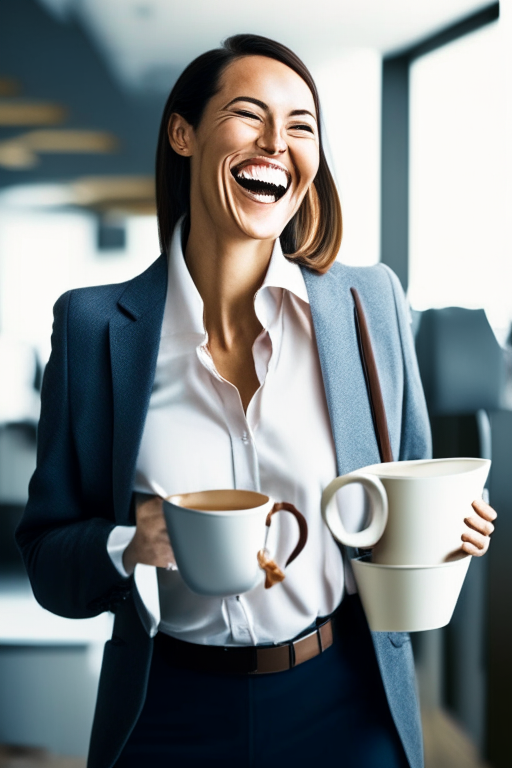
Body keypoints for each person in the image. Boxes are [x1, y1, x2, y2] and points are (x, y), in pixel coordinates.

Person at [16, 34, 496, 768]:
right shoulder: (91, 328)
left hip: (342, 699)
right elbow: (49, 561)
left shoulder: (368, 304)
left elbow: (409, 495)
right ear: (183, 132)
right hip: (168, 707)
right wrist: (128, 542)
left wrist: (447, 532)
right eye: (249, 115)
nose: (277, 142)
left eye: (301, 125)